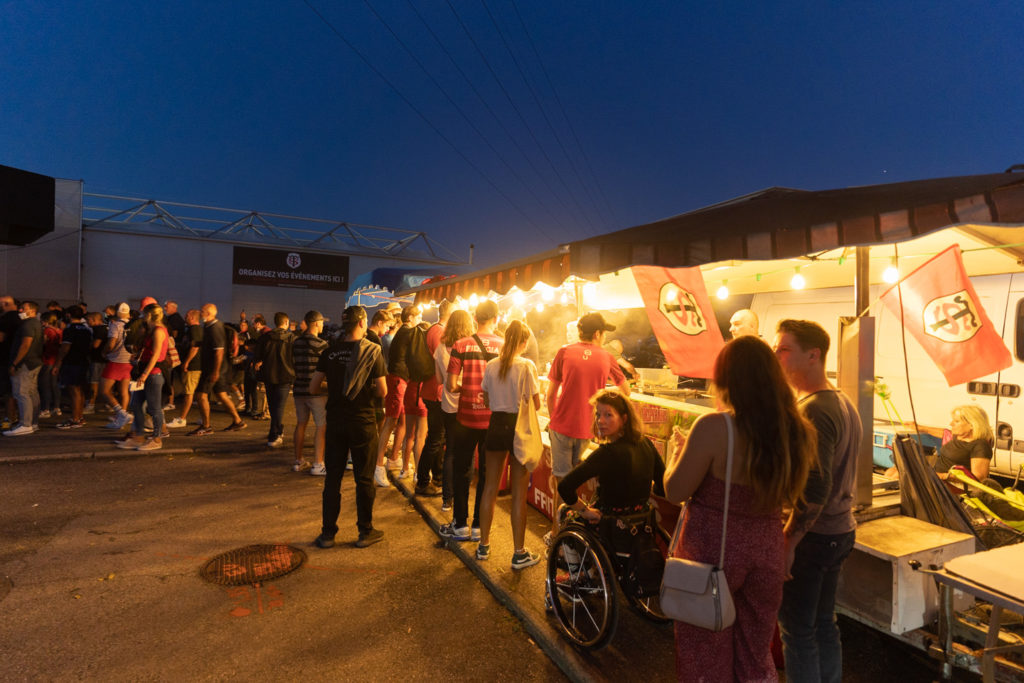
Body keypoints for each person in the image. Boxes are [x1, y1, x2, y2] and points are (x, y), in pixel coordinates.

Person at [664, 335, 816, 682]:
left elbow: (675, 491)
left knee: (705, 654)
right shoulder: (795, 431)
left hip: (713, 555)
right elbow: (797, 496)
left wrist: (676, 454)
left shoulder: (715, 427)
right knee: (755, 654)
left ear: (727, 379)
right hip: (767, 551)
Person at [773, 318, 861, 683]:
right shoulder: (838, 399)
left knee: (798, 630)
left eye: (784, 349)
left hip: (815, 538)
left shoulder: (815, 409)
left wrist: (791, 539)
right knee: (824, 623)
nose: (776, 356)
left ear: (813, 355)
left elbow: (816, 486)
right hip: (840, 531)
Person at [545, 312, 630, 542]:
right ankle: (573, 531)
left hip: (560, 428)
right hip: (587, 431)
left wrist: (555, 420)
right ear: (597, 334)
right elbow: (626, 392)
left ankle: (557, 532)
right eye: (604, 333)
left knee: (562, 483)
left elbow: (551, 394)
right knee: (576, 483)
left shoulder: (564, 352)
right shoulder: (607, 357)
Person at [309, 305, 387, 549]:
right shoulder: (373, 352)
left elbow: (313, 388)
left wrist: (335, 389)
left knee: (332, 479)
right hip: (362, 421)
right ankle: (365, 532)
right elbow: (383, 390)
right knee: (364, 479)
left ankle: (328, 534)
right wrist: (361, 390)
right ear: (362, 323)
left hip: (336, 422)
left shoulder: (329, 352)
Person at [476, 320, 542, 569]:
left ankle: (483, 546)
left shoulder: (492, 364)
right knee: (517, 494)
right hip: (518, 429)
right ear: (524, 342)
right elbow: (535, 405)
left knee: (489, 488)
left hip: (495, 426)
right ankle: (518, 553)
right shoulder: (527, 366)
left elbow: (486, 400)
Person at [439, 300, 503, 542]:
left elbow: (450, 384)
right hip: (492, 420)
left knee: (462, 470)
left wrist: (465, 389)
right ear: (496, 318)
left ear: (476, 319)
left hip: (465, 419)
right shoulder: (505, 346)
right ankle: (479, 526)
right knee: (487, 473)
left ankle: (459, 524)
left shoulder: (461, 344)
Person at [559, 388, 665, 527]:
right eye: (598, 414)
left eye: (608, 415)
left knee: (563, 510)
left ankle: (567, 549)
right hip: (641, 524)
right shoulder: (645, 443)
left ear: (624, 418)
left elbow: (564, 486)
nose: (600, 421)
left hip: (608, 524)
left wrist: (585, 511)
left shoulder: (607, 453)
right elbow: (662, 486)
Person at [373, 305, 422, 487]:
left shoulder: (403, 332)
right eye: (419, 316)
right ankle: (378, 465)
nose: (420, 319)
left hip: (401, 378)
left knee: (401, 420)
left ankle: (393, 458)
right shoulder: (408, 331)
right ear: (411, 317)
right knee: (391, 420)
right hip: (397, 379)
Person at [433, 308, 474, 512]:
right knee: (467, 451)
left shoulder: (440, 347)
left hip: (447, 404)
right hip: (467, 403)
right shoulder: (470, 346)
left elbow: (439, 380)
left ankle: (447, 498)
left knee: (450, 450)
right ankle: (463, 495)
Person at [116, 304, 169, 451]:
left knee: (154, 408)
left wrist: (145, 373)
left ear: (149, 315)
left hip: (153, 373)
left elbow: (157, 354)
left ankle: (157, 439)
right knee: (136, 404)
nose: (142, 316)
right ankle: (138, 437)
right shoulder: (151, 330)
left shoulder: (158, 331)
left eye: (144, 313)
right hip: (146, 372)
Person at [190, 303, 246, 435]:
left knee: (200, 395)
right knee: (222, 395)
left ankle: (206, 426)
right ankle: (238, 421)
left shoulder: (215, 327)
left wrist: (215, 371)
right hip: (219, 368)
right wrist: (199, 343)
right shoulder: (209, 326)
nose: (200, 312)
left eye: (202, 310)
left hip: (213, 369)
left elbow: (219, 351)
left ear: (209, 313)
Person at [415, 301, 450, 497]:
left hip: (433, 390)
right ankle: (422, 482)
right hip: (435, 390)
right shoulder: (438, 332)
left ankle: (437, 477)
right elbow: (442, 362)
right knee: (435, 438)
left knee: (438, 437)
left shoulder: (436, 330)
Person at [291, 310, 329, 475]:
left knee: (301, 424)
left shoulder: (296, 343)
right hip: (317, 391)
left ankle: (299, 461)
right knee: (321, 426)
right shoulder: (322, 345)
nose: (323, 325)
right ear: (315, 323)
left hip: (299, 389)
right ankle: (318, 463)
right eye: (321, 322)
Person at [256, 312, 296, 448]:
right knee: (279, 406)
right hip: (285, 375)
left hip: (268, 375)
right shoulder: (292, 338)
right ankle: (274, 434)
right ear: (286, 322)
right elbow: (294, 358)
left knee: (273, 405)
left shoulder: (265, 338)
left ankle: (277, 428)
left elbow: (258, 355)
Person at [4, 300, 44, 436]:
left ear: (32, 310)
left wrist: (15, 363)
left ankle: (25, 424)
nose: (20, 311)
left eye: (23, 308)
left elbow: (25, 345)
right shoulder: (37, 323)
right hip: (35, 362)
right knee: (32, 392)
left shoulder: (27, 324)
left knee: (21, 393)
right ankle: (33, 423)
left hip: (25, 363)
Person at [54, 305, 92, 429]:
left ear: (69, 315)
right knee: (79, 390)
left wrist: (58, 363)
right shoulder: (86, 329)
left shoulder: (70, 329)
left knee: (73, 390)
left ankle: (75, 419)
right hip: (83, 361)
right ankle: (79, 417)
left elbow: (65, 348)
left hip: (72, 362)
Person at [934, 405, 993, 481]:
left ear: (972, 425)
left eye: (956, 421)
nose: (951, 423)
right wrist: (921, 428)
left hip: (950, 488)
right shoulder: (959, 437)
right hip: (935, 481)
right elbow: (945, 432)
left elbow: (978, 478)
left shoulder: (980, 446)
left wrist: (944, 476)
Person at [99, 302, 133, 429]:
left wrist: (104, 352)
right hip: (128, 361)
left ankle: (121, 414)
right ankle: (121, 419)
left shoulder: (115, 325)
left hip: (116, 361)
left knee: (104, 391)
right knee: (124, 391)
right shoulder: (131, 326)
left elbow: (111, 343)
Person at [167, 308, 202, 429]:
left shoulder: (195, 330)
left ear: (192, 317)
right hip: (192, 366)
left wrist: (186, 362)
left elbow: (195, 347)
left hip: (193, 367)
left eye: (187, 315)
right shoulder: (191, 330)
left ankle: (182, 419)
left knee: (188, 393)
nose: (185, 317)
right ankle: (203, 417)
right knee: (196, 393)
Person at [38, 311, 62, 418]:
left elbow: (43, 343)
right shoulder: (59, 331)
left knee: (45, 385)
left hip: (47, 360)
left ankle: (45, 409)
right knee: (54, 385)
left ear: (46, 321)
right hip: (56, 360)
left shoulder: (47, 330)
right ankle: (57, 408)